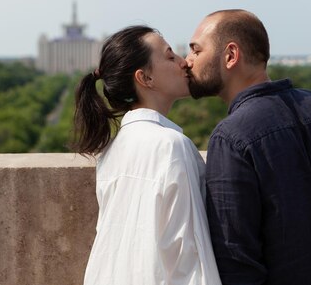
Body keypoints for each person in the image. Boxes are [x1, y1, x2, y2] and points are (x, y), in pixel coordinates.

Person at [185, 10, 311, 285]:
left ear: (231, 55)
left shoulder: (231, 136)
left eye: (196, 51)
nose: (187, 62)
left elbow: (235, 262)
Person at [72, 25, 221, 285]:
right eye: (169, 56)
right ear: (145, 78)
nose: (184, 62)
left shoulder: (110, 152)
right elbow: (191, 254)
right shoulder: (171, 146)